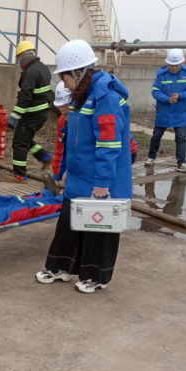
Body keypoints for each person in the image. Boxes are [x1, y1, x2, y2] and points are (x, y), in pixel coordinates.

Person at [36, 39, 132, 294]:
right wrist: (67, 170)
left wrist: (102, 184)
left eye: (65, 77)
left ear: (79, 72)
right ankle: (61, 267)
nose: (64, 84)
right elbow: (74, 140)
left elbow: (109, 145)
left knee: (98, 231)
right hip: (79, 177)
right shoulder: (82, 97)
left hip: (101, 180)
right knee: (68, 226)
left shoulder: (106, 98)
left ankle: (95, 276)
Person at [5, 41, 54, 184]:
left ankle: (20, 176)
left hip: (32, 114)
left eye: (19, 59)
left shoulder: (30, 72)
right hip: (41, 112)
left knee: (19, 142)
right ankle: (45, 157)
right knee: (24, 138)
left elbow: (25, 97)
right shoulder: (43, 68)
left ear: (22, 56)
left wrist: (14, 116)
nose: (19, 62)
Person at [145, 48, 186, 173]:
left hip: (181, 111)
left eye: (176, 65)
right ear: (167, 63)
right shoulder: (161, 74)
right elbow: (155, 91)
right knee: (156, 136)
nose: (174, 68)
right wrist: (167, 99)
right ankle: (151, 157)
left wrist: (180, 96)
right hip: (164, 110)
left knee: (181, 138)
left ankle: (181, 163)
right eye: (171, 65)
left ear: (181, 63)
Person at [52, 81, 69, 184]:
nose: (61, 108)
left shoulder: (86, 121)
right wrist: (57, 176)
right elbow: (61, 150)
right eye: (59, 105)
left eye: (64, 104)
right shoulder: (62, 121)